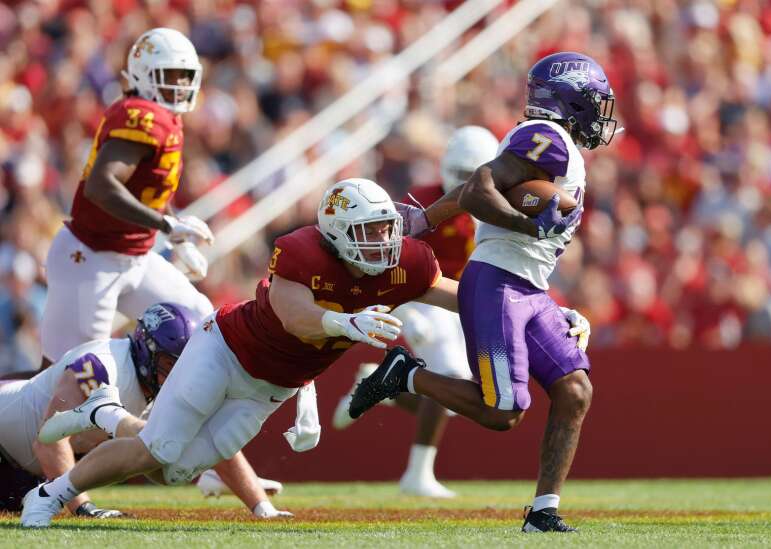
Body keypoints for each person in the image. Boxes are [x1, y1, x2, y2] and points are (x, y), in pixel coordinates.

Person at [21, 178, 459, 528]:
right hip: (225, 350)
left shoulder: (409, 263)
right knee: (159, 448)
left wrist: (515, 299)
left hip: (272, 386)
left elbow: (456, 295)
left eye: (387, 227)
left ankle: (103, 414)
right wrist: (346, 322)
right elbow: (294, 316)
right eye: (369, 230)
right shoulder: (302, 252)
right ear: (337, 233)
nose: (382, 240)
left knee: (172, 472)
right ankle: (49, 495)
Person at [349, 52, 616, 533]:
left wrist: (427, 217)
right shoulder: (548, 138)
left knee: (575, 390)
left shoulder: (554, 146)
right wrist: (525, 224)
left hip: (528, 287)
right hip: (498, 283)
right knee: (502, 412)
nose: (600, 113)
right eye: (593, 102)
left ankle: (543, 513)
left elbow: (482, 182)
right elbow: (479, 189)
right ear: (571, 99)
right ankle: (405, 375)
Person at [332, 126, 499, 498]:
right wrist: (409, 313)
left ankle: (383, 385)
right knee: (450, 376)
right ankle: (417, 474)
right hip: (426, 297)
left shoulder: (501, 204)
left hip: (465, 303)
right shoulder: (422, 203)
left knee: (460, 399)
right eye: (459, 174)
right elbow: (388, 262)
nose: (465, 184)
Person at [37, 28, 214, 373]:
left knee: (202, 324)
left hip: (133, 255)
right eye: (170, 76)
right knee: (62, 380)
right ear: (143, 75)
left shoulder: (164, 119)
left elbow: (144, 191)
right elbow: (101, 187)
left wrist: (173, 230)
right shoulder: (142, 117)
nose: (179, 85)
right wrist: (164, 224)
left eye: (185, 76)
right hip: (90, 258)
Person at [0, 302, 283, 518]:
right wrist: (83, 507)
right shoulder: (100, 366)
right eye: (171, 364)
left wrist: (261, 507)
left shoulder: (162, 382)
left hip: (26, 469)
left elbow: (218, 442)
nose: (179, 375)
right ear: (147, 350)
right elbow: (49, 441)